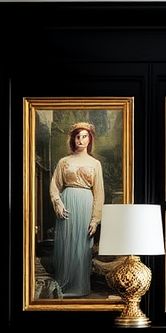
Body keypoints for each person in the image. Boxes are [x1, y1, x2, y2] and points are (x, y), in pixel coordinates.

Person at [48, 122, 105, 297]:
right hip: (67, 205)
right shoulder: (64, 162)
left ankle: (80, 287)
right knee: (66, 245)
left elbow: (99, 193)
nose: (80, 140)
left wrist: (95, 220)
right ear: (74, 139)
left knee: (82, 247)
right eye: (78, 136)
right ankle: (63, 286)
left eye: (84, 136)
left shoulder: (95, 164)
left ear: (90, 139)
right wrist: (58, 202)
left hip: (86, 205)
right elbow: (54, 186)